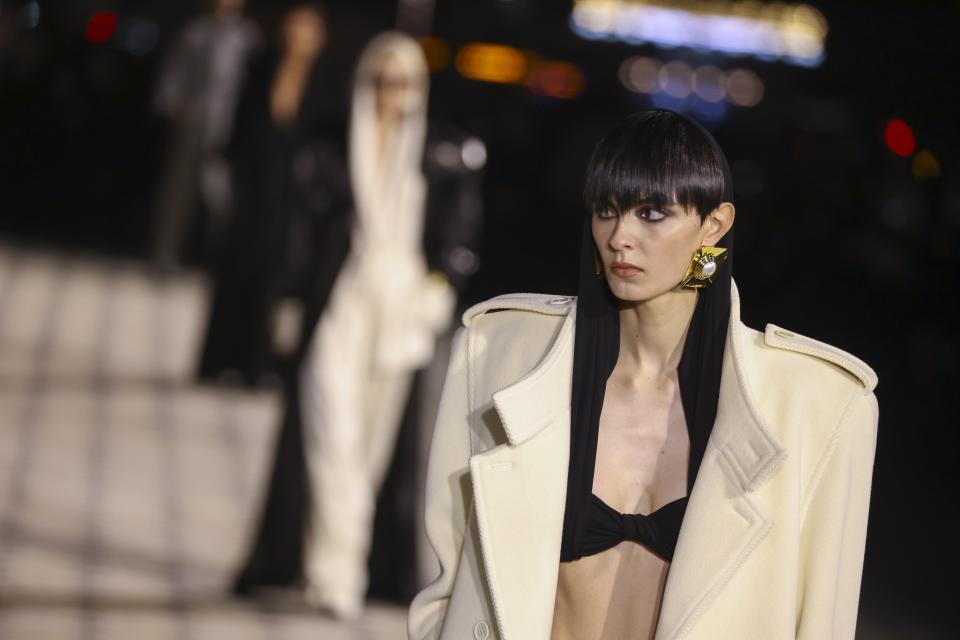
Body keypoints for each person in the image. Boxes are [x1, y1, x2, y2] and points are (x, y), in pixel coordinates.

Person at [409, 110, 879, 640]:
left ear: (715, 225)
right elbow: (446, 576)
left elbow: (823, 618)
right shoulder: (499, 354)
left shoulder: (816, 403)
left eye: (653, 213)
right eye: (606, 210)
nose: (620, 237)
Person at [231, 31, 483, 618]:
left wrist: (438, 292)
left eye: (401, 81)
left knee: (373, 447)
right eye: (379, 80)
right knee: (330, 431)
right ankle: (334, 575)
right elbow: (297, 233)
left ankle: (345, 566)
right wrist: (289, 304)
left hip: (401, 307)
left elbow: (460, 234)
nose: (390, 93)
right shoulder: (329, 146)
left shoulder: (440, 151)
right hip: (340, 301)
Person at [197, 3, 344, 386]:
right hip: (253, 188)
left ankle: (256, 365)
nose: (298, 37)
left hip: (291, 200)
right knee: (235, 271)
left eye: (307, 30)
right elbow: (240, 126)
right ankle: (218, 361)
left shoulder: (325, 81)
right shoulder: (262, 67)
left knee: (274, 280)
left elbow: (325, 141)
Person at [151, 0, 260, 270]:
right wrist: (174, 106)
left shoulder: (247, 37)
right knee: (179, 190)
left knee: (223, 192)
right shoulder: (196, 32)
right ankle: (165, 253)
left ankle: (219, 259)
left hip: (229, 123)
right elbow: (174, 74)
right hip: (195, 120)